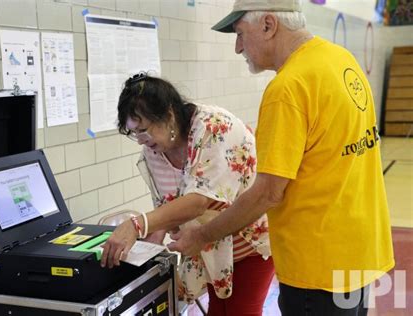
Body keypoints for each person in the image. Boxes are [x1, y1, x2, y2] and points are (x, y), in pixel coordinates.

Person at [167, 0, 395, 315]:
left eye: (239, 34)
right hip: (359, 251)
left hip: (317, 268)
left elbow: (269, 192)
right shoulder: (341, 60)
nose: (237, 48)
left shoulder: (287, 89)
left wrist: (202, 235)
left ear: (268, 25)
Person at [100, 73, 274, 315]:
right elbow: (167, 208)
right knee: (218, 310)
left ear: (168, 116)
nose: (140, 140)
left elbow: (198, 201)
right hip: (209, 245)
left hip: (248, 239)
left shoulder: (213, 128)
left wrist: (137, 225)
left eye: (143, 130)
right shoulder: (154, 151)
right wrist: (150, 246)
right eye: (133, 133)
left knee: (241, 310)